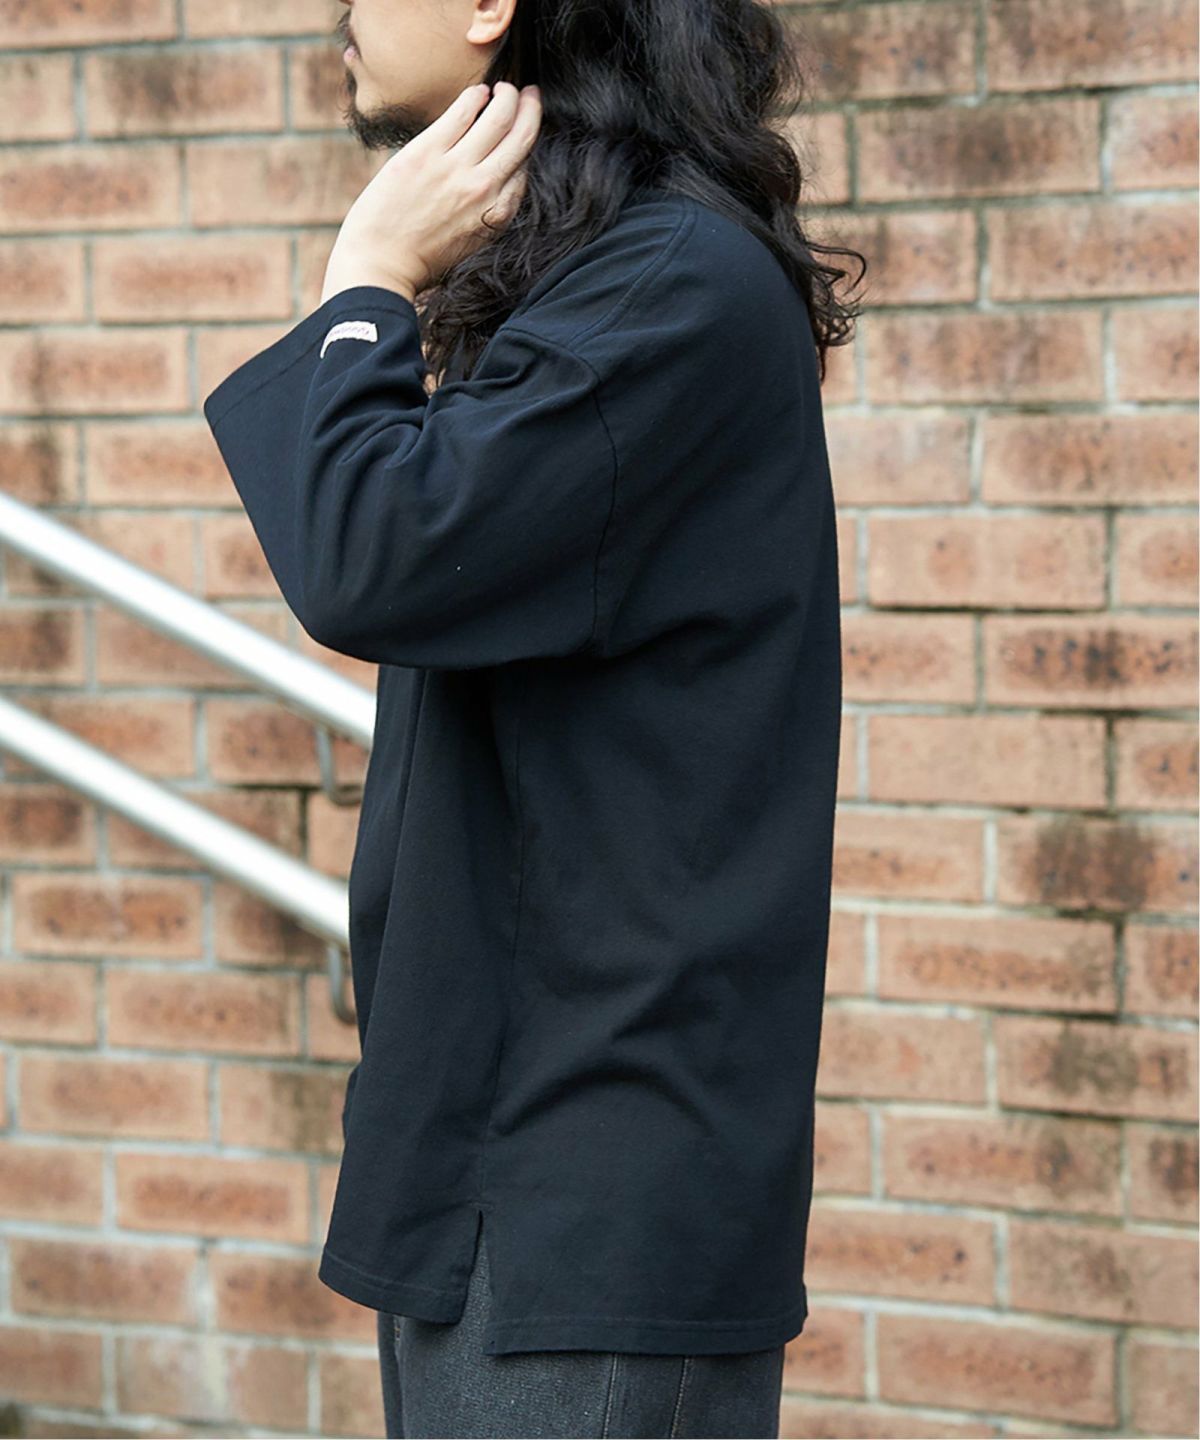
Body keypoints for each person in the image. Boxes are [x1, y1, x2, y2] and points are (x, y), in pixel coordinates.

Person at [203, 0, 862, 1434]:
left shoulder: (673, 284)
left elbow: (376, 551)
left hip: (587, 1193)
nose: (340, 9)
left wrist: (367, 278)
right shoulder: (608, 280)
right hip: (506, 1165)